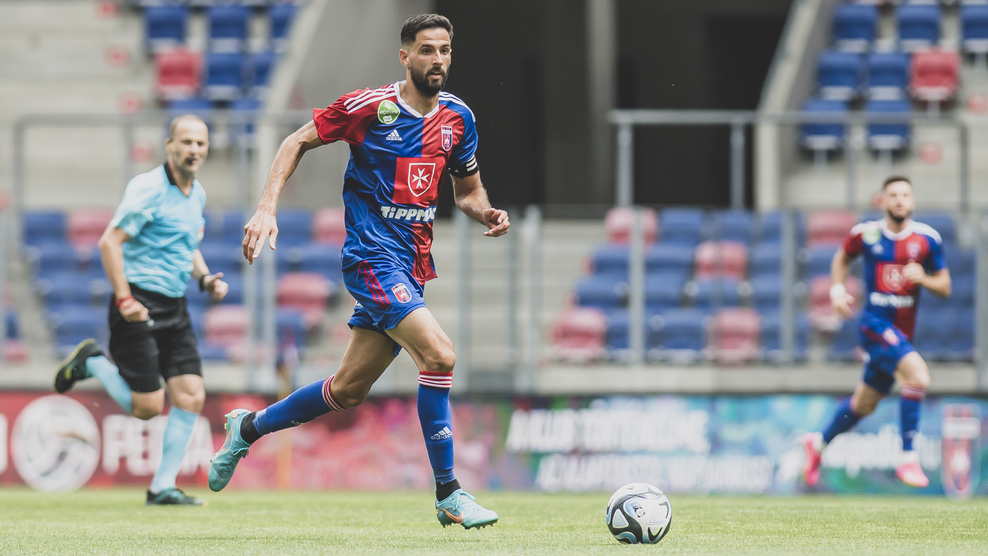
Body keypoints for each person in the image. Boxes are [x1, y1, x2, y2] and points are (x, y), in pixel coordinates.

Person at [207, 14, 507, 529]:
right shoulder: (370, 107)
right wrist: (266, 207)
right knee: (439, 354)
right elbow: (295, 141)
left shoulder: (458, 117)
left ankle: (247, 428)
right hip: (371, 258)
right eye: (427, 50)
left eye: (444, 50)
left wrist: (487, 212)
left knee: (347, 391)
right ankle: (449, 493)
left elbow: (467, 190)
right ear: (405, 56)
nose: (438, 59)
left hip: (412, 265)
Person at [54, 115, 228, 505]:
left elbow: (186, 245)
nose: (194, 150)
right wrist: (124, 299)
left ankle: (162, 487)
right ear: (170, 145)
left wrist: (204, 279)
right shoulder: (148, 188)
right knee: (147, 407)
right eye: (186, 142)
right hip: (138, 302)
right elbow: (109, 242)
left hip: (175, 305)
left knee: (190, 395)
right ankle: (92, 361)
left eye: (200, 143)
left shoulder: (197, 194)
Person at [803, 176, 950, 488]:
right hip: (874, 326)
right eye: (893, 195)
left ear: (912, 201)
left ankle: (817, 444)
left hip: (901, 333)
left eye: (905, 195)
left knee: (864, 405)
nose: (899, 200)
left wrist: (924, 279)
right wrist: (837, 290)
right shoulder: (866, 234)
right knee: (918, 377)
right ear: (882, 201)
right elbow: (841, 258)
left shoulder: (927, 240)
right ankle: (908, 458)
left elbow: (945, 286)